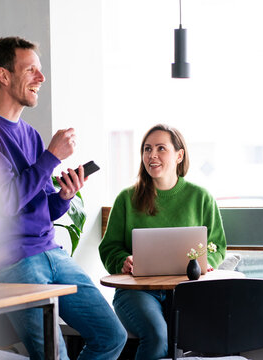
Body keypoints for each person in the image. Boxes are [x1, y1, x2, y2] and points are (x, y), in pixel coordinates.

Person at [0, 36, 127, 360]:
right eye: (31, 69)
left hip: (50, 252)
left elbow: (43, 208)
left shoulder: (30, 134)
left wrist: (65, 194)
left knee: (112, 335)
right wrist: (50, 157)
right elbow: (4, 202)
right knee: (54, 356)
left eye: (41, 70)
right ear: (4, 76)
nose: (41, 78)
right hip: (11, 260)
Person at [98, 124, 227, 360]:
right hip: (137, 292)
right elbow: (109, 248)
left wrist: (208, 262)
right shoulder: (127, 198)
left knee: (204, 336)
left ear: (179, 155)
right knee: (158, 338)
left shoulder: (201, 197)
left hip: (186, 292)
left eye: (160, 148)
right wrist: (121, 261)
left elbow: (217, 245)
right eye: (147, 149)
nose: (152, 155)